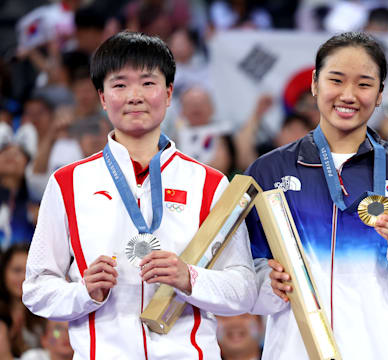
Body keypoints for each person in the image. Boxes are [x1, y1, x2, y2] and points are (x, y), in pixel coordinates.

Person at [22, 31, 256, 359]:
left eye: (148, 83)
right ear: (102, 98)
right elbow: (36, 290)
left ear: (169, 92)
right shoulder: (68, 183)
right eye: (119, 85)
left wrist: (189, 279)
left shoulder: (209, 184)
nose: (135, 96)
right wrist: (84, 293)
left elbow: (244, 290)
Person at [245, 32, 388, 359]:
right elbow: (245, 277)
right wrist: (266, 283)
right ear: (315, 83)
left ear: (380, 94)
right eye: (336, 80)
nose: (348, 95)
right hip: (295, 350)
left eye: (364, 84)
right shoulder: (269, 172)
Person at [0, 244, 45, 357]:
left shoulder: (47, 311)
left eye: (29, 271)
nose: (24, 278)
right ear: (3, 273)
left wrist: (55, 335)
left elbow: (58, 336)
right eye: (17, 270)